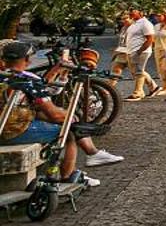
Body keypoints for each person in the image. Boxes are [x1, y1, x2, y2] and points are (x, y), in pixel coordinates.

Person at [3, 39, 118, 182]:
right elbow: (54, 114)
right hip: (11, 131)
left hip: (10, 121)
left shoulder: (7, 76)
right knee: (68, 132)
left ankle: (91, 153)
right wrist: (73, 120)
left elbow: (42, 87)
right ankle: (68, 175)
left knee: (55, 117)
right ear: (27, 59)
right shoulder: (25, 81)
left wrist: (58, 71)